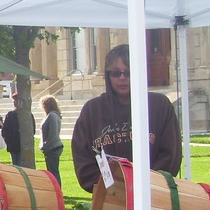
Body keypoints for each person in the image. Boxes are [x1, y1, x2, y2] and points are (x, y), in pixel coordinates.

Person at [71, 44, 182, 193]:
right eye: (116, 73)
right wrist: (115, 188)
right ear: (108, 75)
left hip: (153, 194)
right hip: (109, 198)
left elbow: (171, 154)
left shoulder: (159, 106)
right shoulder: (92, 111)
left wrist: (144, 184)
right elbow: (83, 160)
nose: (122, 78)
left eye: (128, 72)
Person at [1, 92, 35, 167]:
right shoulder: (10, 115)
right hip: (13, 146)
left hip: (23, 146)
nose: (14, 102)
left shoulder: (28, 115)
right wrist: (8, 141)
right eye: (14, 100)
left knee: (21, 165)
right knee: (15, 165)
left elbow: (32, 130)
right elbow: (5, 130)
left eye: (16, 100)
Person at [40, 97, 64, 185]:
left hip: (53, 147)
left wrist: (46, 146)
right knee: (52, 170)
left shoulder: (52, 116)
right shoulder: (53, 115)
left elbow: (53, 133)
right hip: (52, 146)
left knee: (53, 171)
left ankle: (57, 189)